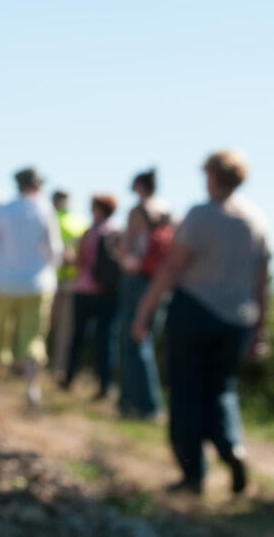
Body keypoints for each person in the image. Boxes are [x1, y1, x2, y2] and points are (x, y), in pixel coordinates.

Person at [131, 150, 271, 496]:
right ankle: (231, 447)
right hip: (237, 320)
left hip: (194, 311)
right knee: (221, 389)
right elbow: (262, 280)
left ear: (211, 176)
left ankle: (193, 475)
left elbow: (172, 267)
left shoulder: (202, 215)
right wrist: (260, 329)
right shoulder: (256, 220)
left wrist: (144, 310)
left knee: (186, 392)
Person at [0, 167, 63, 407]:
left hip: (4, 283)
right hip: (37, 284)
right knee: (33, 339)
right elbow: (55, 251)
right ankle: (32, 389)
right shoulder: (44, 210)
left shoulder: (3, 211)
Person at [116, 170, 171, 420]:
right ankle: (134, 402)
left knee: (133, 340)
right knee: (144, 338)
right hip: (159, 281)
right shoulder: (167, 210)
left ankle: (144, 405)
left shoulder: (137, 211)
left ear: (139, 185)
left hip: (136, 279)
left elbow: (128, 248)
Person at [61, 194, 120, 400]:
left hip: (85, 291)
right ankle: (104, 384)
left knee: (78, 337)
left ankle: (69, 378)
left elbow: (79, 262)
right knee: (105, 340)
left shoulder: (90, 233)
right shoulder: (117, 232)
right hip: (109, 294)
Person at [47, 189, 88, 381]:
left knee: (43, 325)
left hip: (50, 280)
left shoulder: (49, 219)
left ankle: (28, 365)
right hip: (71, 281)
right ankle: (58, 367)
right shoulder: (79, 223)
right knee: (64, 328)